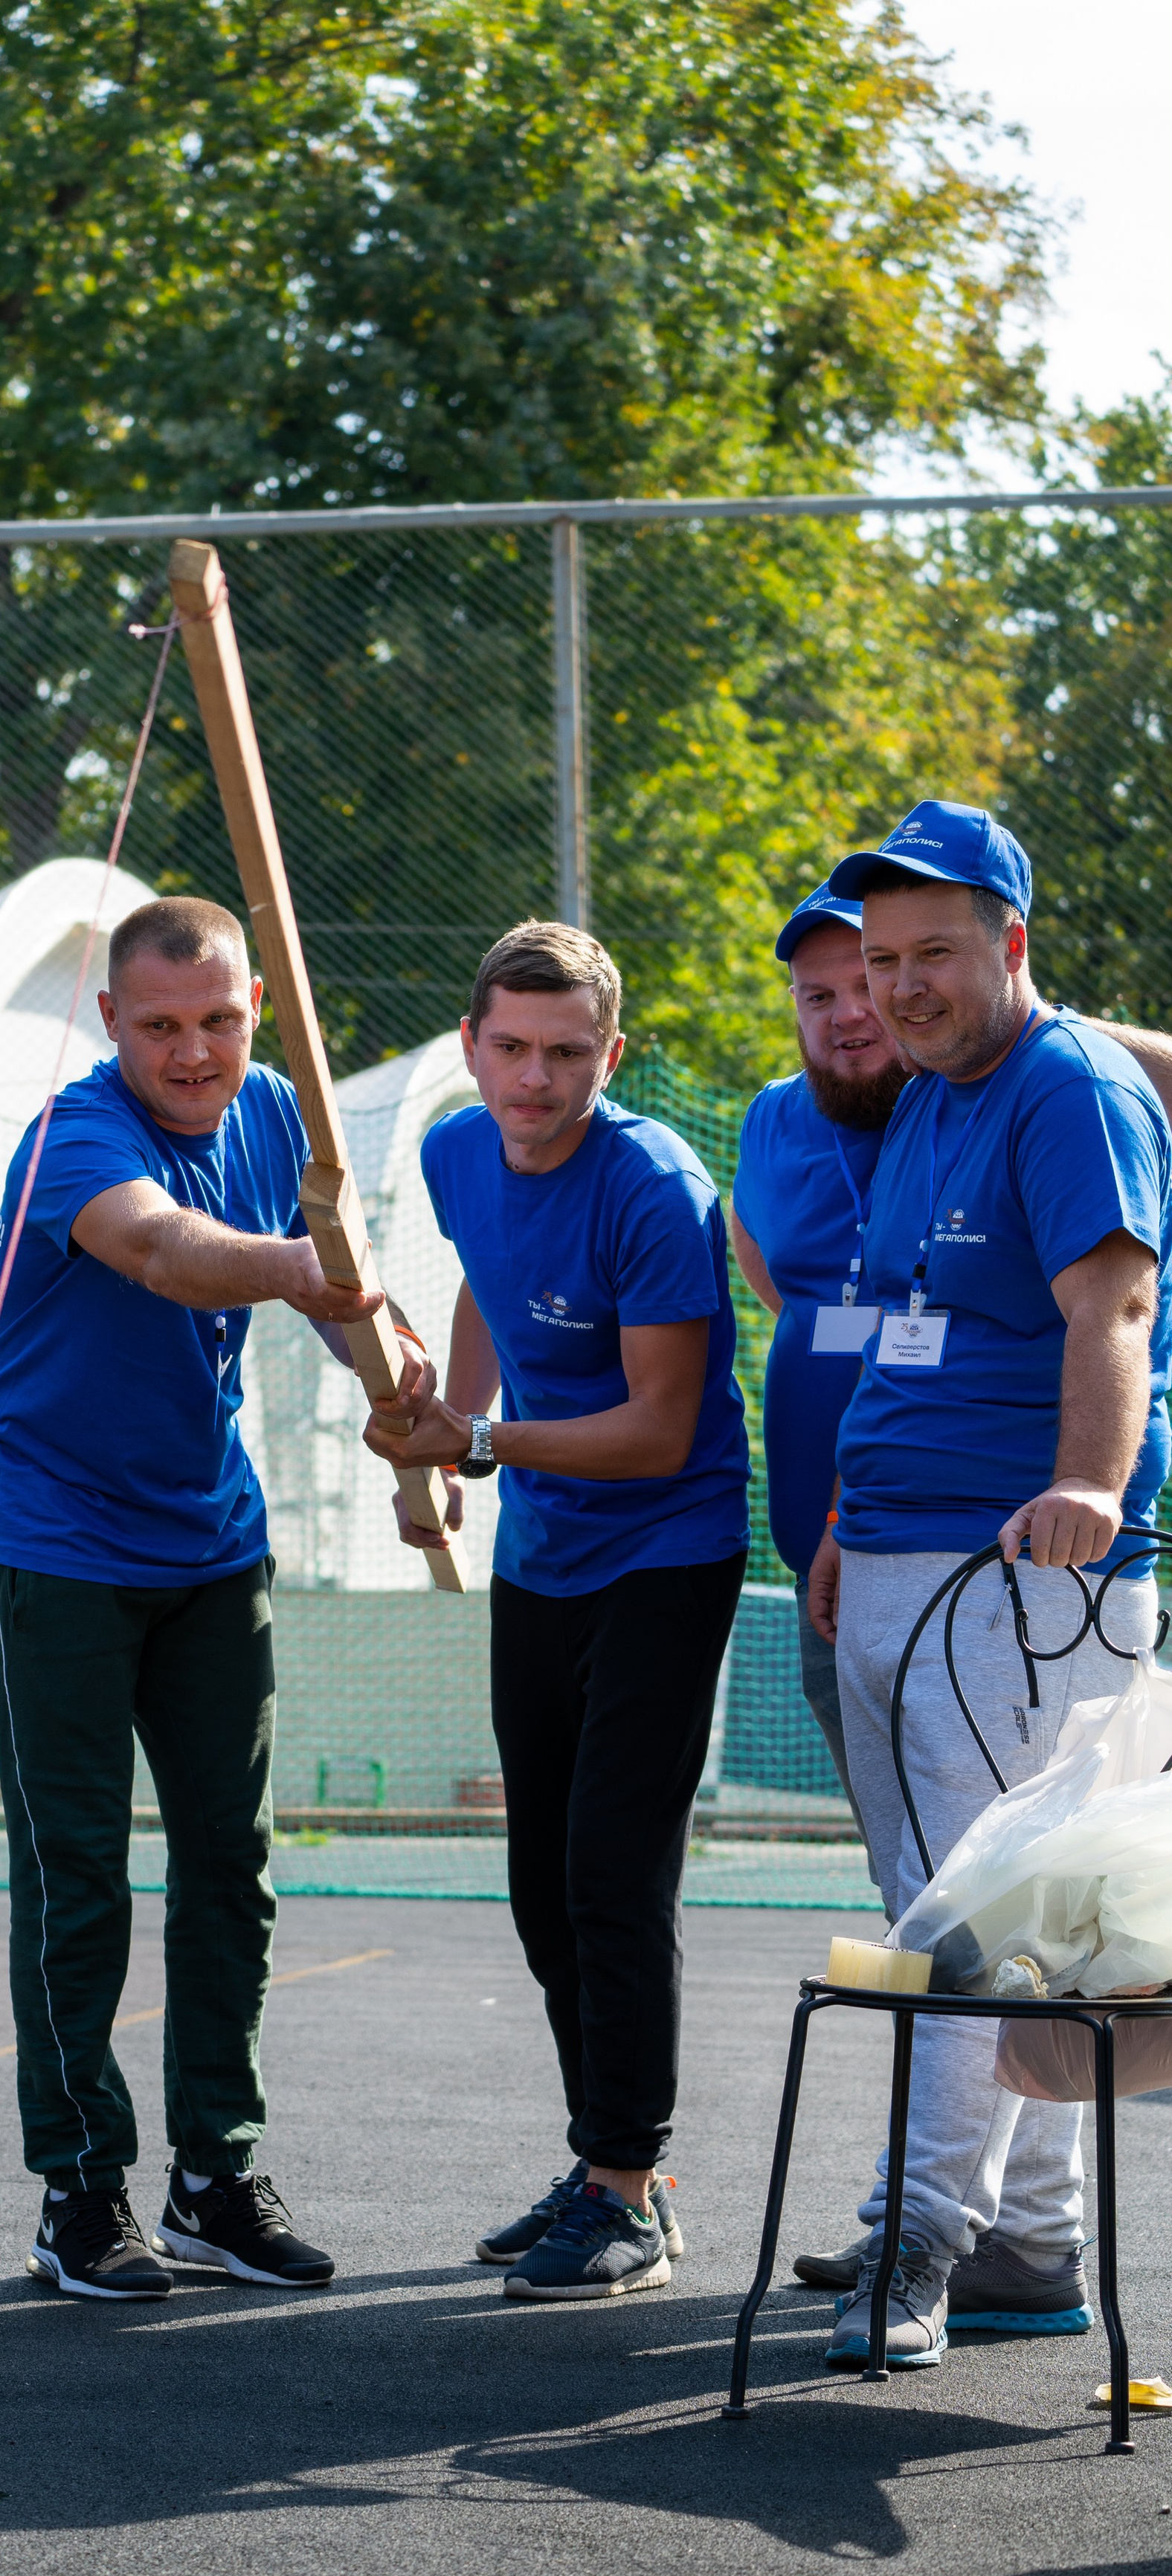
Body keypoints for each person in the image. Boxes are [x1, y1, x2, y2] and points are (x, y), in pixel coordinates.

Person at [0, 894, 417, 2302]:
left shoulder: (280, 1113)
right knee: (78, 1875)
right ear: (111, 1023)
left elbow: (344, 1292)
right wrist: (308, 1269)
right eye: (160, 1025)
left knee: (233, 1861)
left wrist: (408, 1401)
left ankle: (216, 2171)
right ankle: (80, 2189)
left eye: (219, 1019)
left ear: (255, 1013)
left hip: (211, 1544)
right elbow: (165, 1253)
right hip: (56, 1539)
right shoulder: (76, 1136)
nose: (193, 1051)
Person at [803, 801, 1172, 2366]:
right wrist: (840, 1515)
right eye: (877, 958)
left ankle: (922, 2242)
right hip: (900, 1557)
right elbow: (908, 1325)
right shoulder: (927, 1099)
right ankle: (1029, 2244)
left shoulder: (1063, 1086)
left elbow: (1114, 1302)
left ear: (1010, 945)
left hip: (1020, 1581)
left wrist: (1088, 1481)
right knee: (972, 1925)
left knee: (967, 1931)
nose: (896, 985)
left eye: (932, 952)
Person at [364, 922, 750, 2300]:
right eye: (513, 1049)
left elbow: (655, 1431)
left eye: (568, 1055)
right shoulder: (457, 1149)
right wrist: (444, 1429)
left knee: (610, 1877)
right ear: (472, 1045)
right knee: (540, 1892)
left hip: (667, 1546)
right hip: (542, 1555)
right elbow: (483, 1277)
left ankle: (629, 2195)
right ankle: (607, 2164)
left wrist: (477, 1445)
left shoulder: (653, 1183)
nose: (535, 1081)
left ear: (612, 1054)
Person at [729, 882, 910, 1812]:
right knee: (891, 1846)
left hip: (934, 1543)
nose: (846, 1015)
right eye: (816, 996)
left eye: (866, 983)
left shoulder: (971, 1097)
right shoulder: (771, 1116)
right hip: (816, 1558)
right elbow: (764, 1263)